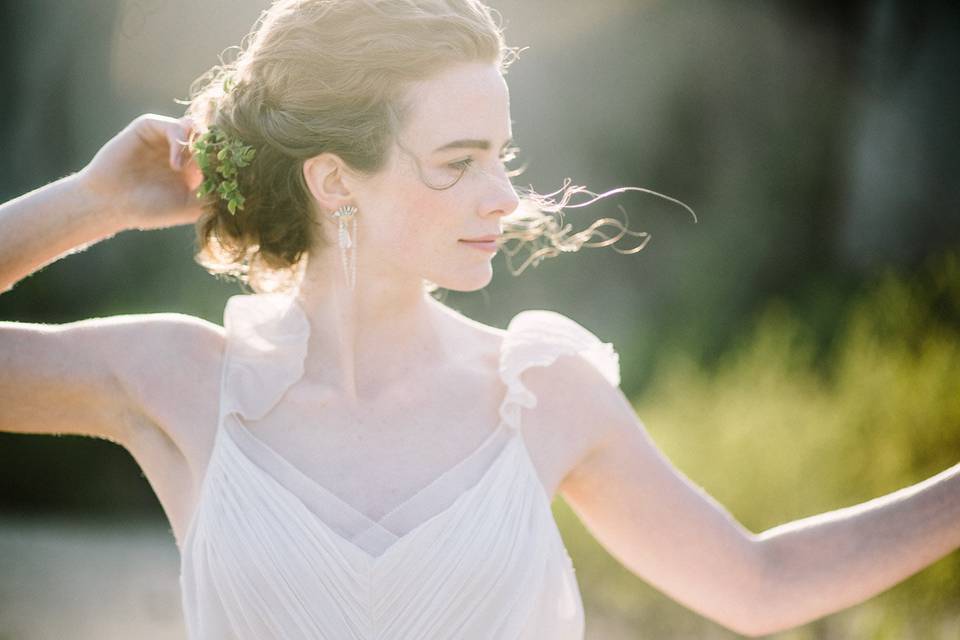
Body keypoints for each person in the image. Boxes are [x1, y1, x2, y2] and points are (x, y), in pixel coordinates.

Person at [1, 0, 958, 638]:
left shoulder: (541, 392)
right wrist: (92, 202)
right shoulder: (178, 381)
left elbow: (760, 584)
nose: (503, 195)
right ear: (336, 181)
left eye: (503, 154)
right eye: (458, 161)